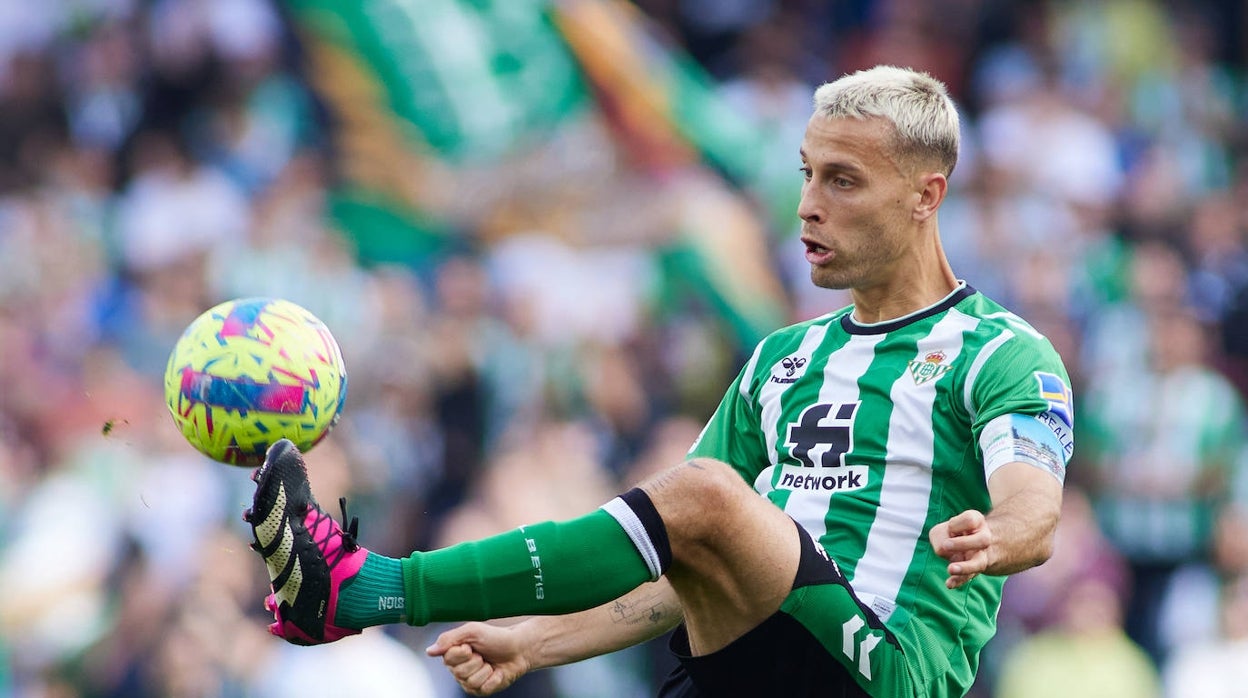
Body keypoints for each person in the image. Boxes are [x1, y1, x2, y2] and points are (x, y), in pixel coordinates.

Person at [242, 65, 1073, 698]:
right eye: (806, 173)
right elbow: (674, 557)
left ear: (927, 196)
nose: (807, 206)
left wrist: (1003, 535)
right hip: (762, 660)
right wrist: (535, 642)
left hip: (887, 669)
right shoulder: (783, 361)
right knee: (697, 504)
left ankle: (366, 588)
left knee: (704, 492)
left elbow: (1033, 507)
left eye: (843, 181)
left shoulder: (998, 352)